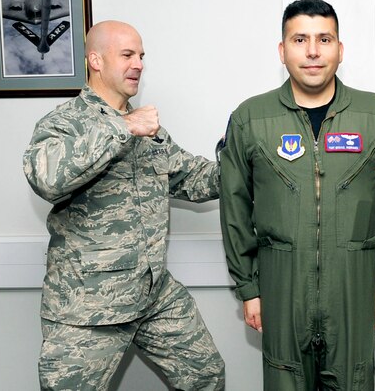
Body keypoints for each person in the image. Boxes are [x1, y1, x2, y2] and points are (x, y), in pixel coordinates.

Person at [218, 0, 375, 391]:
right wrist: (249, 289)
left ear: (340, 49)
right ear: (282, 51)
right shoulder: (249, 119)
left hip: (354, 288)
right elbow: (234, 209)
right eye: (300, 39)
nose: (312, 51)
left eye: (324, 39)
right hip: (281, 289)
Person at [23, 20, 225, 390]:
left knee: (205, 376)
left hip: (152, 294)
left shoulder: (149, 130)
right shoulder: (66, 122)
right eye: (128, 55)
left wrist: (243, 161)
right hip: (89, 306)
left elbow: (192, 178)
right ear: (96, 61)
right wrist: (124, 127)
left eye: (141, 56)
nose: (139, 64)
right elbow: (46, 179)